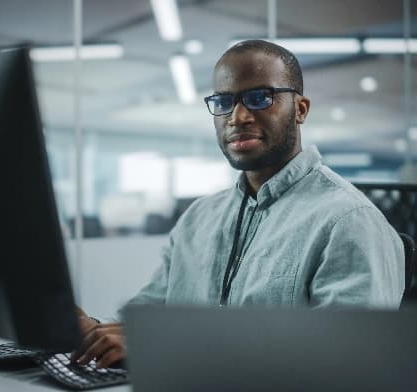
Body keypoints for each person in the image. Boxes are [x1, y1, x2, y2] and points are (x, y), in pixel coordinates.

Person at [72, 39, 405, 368]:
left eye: (260, 98)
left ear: (300, 109)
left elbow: (347, 363)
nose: (238, 116)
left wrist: (171, 350)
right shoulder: (198, 219)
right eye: (224, 101)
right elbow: (151, 318)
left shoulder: (349, 221)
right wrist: (94, 332)